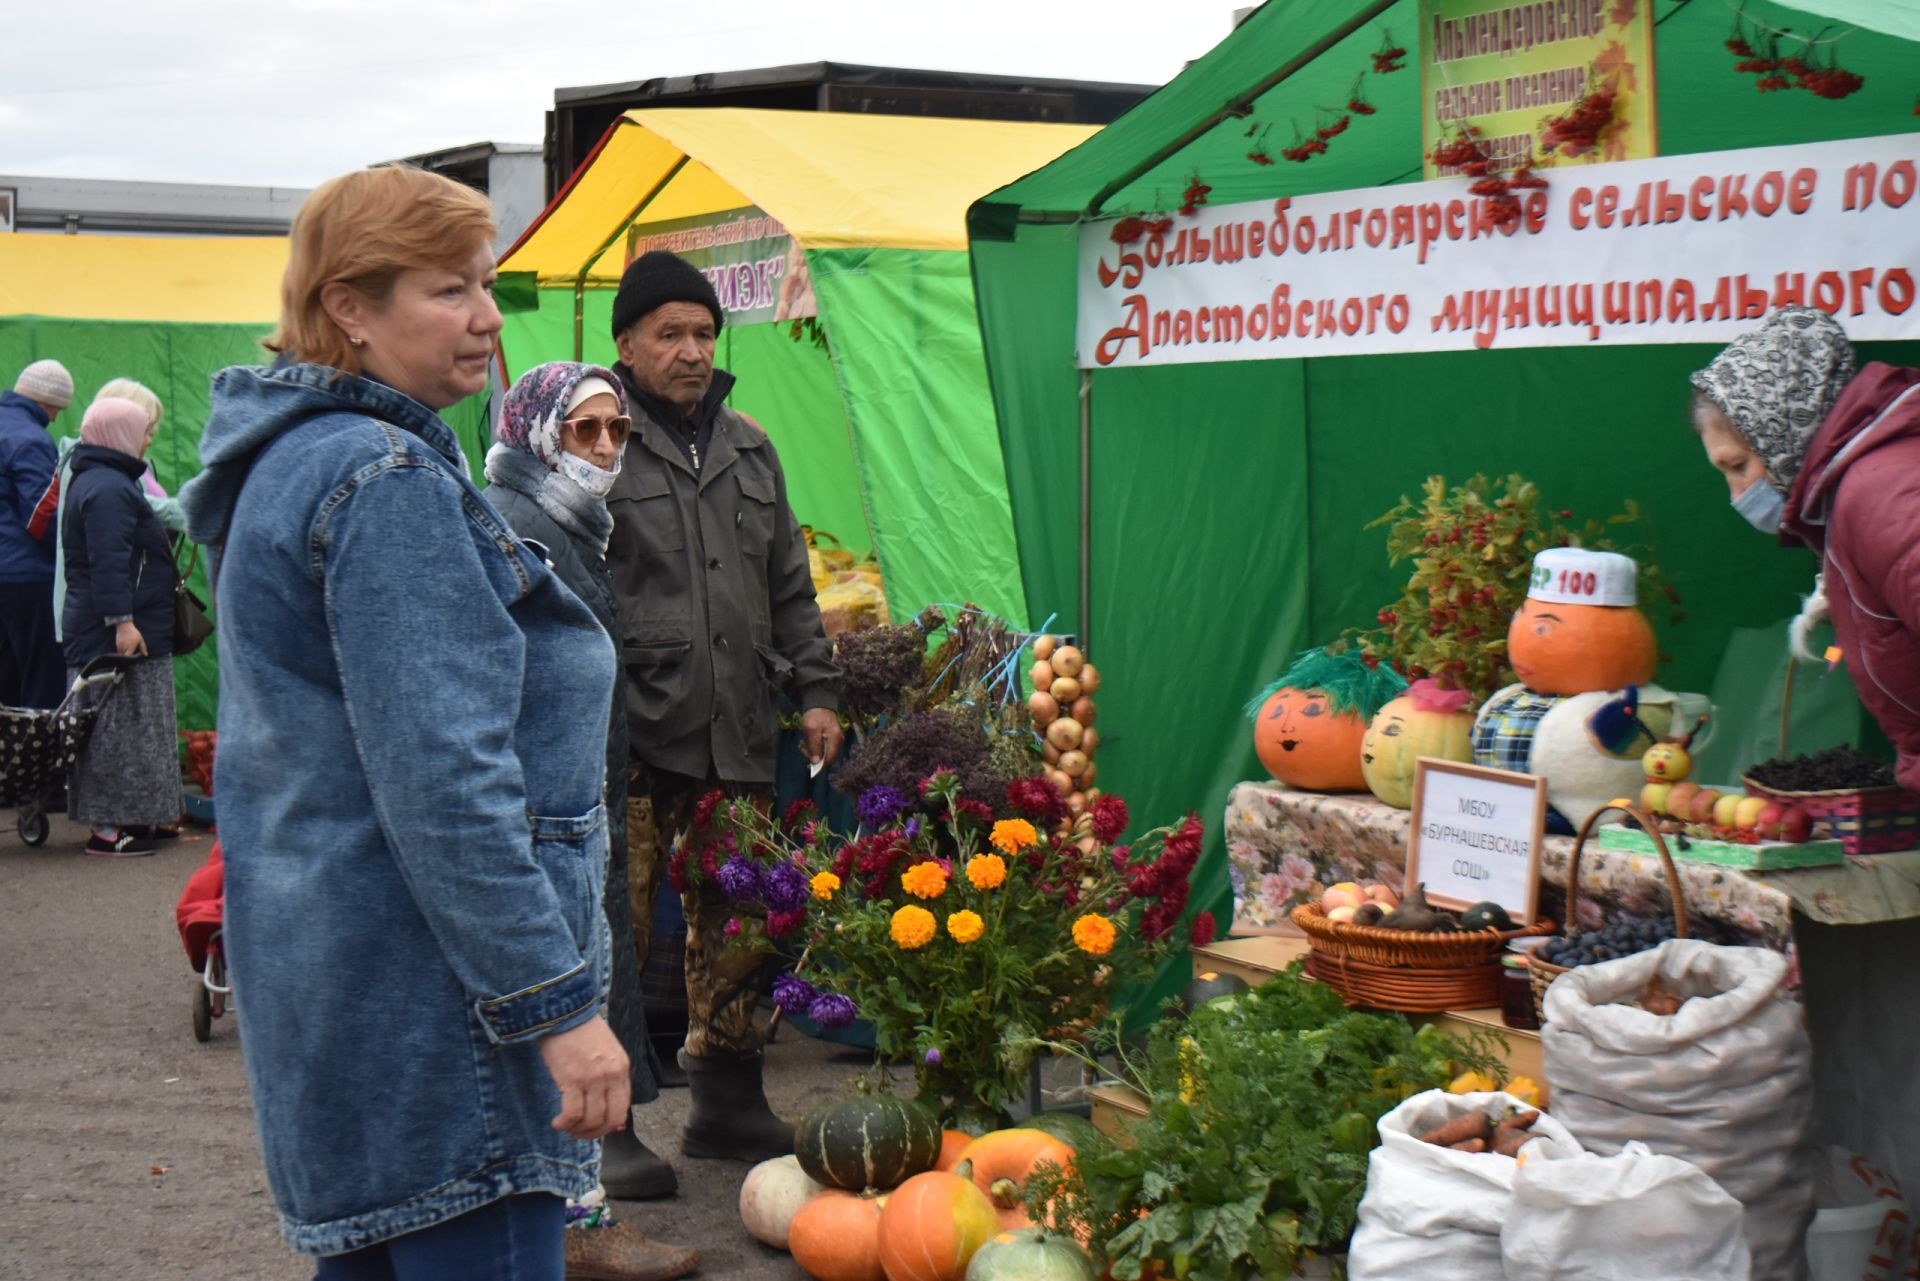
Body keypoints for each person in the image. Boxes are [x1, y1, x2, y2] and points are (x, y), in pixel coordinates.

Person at [178, 166, 629, 1279]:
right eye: (447, 290)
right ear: (349, 307)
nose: (486, 317)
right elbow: (448, 787)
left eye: (485, 284)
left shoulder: (290, 457)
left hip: (344, 990)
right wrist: (556, 1010)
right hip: (443, 1019)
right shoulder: (381, 479)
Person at [604, 250, 842, 1162]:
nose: (692, 350)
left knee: (738, 917)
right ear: (627, 342)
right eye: (670, 333)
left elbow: (791, 584)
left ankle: (727, 1099)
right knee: (613, 926)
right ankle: (609, 1122)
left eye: (703, 332)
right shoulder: (598, 436)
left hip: (736, 721)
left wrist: (817, 688)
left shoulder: (750, 445)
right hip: (629, 729)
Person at [485, 361, 702, 1281]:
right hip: (546, 812)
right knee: (562, 1004)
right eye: (586, 432)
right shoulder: (524, 524)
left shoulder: (566, 520)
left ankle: (572, 1216)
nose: (607, 448)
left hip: (575, 796)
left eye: (617, 431)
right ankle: (575, 1222)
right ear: (538, 432)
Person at [1689, 305, 1920, 792]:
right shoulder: (1860, 493)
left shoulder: (1879, 494)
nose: (1737, 496)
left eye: (1738, 466)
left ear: (1780, 432)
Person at [59, 396, 183, 856]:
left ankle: (136, 818)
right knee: (112, 731)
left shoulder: (104, 480)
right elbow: (108, 563)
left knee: (136, 728)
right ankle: (108, 831)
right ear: (119, 436)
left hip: (128, 625)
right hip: (113, 631)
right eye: (143, 431)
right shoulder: (108, 488)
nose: (149, 439)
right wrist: (122, 622)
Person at [1, 358, 73, 713]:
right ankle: (38, 768)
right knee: (40, 686)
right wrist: (72, 557)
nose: (56, 418)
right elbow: (41, 515)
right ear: (47, 403)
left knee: (5, 684)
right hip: (26, 578)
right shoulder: (31, 439)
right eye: (57, 409)